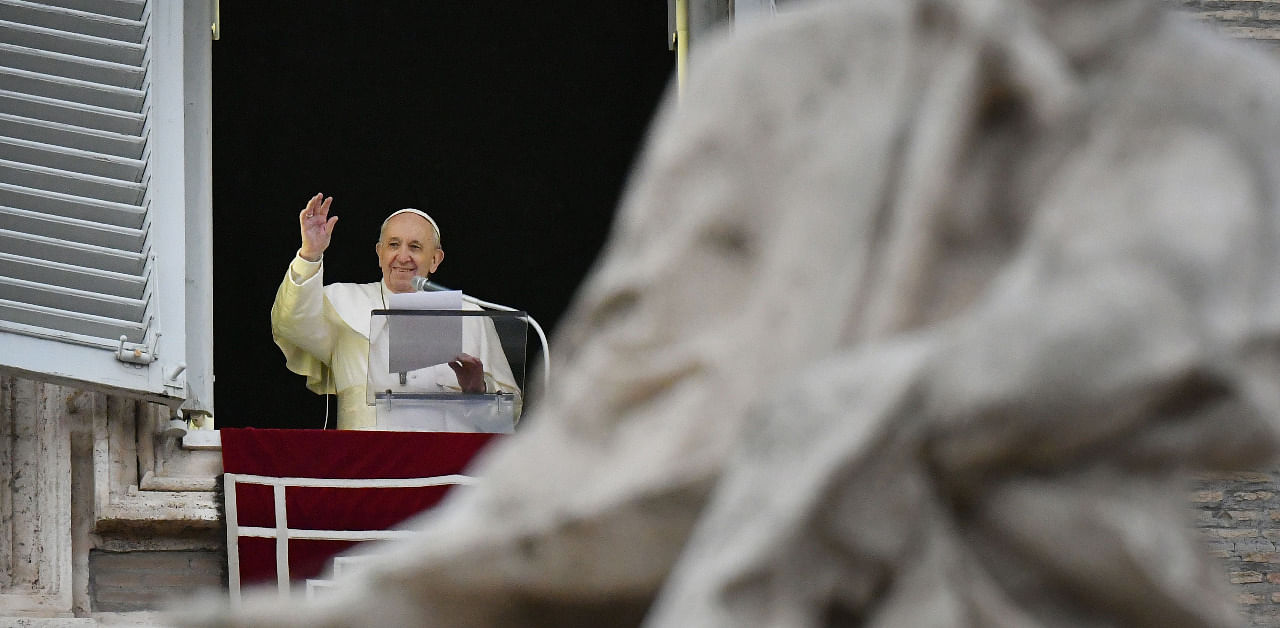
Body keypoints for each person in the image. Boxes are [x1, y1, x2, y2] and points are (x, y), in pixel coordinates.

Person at [270, 193, 519, 430]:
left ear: (435, 260)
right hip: (366, 464)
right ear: (379, 253)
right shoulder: (341, 301)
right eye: (393, 245)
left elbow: (510, 416)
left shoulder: (469, 315)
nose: (403, 256)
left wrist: (478, 390)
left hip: (444, 469)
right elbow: (290, 321)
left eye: (415, 247)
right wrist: (310, 255)